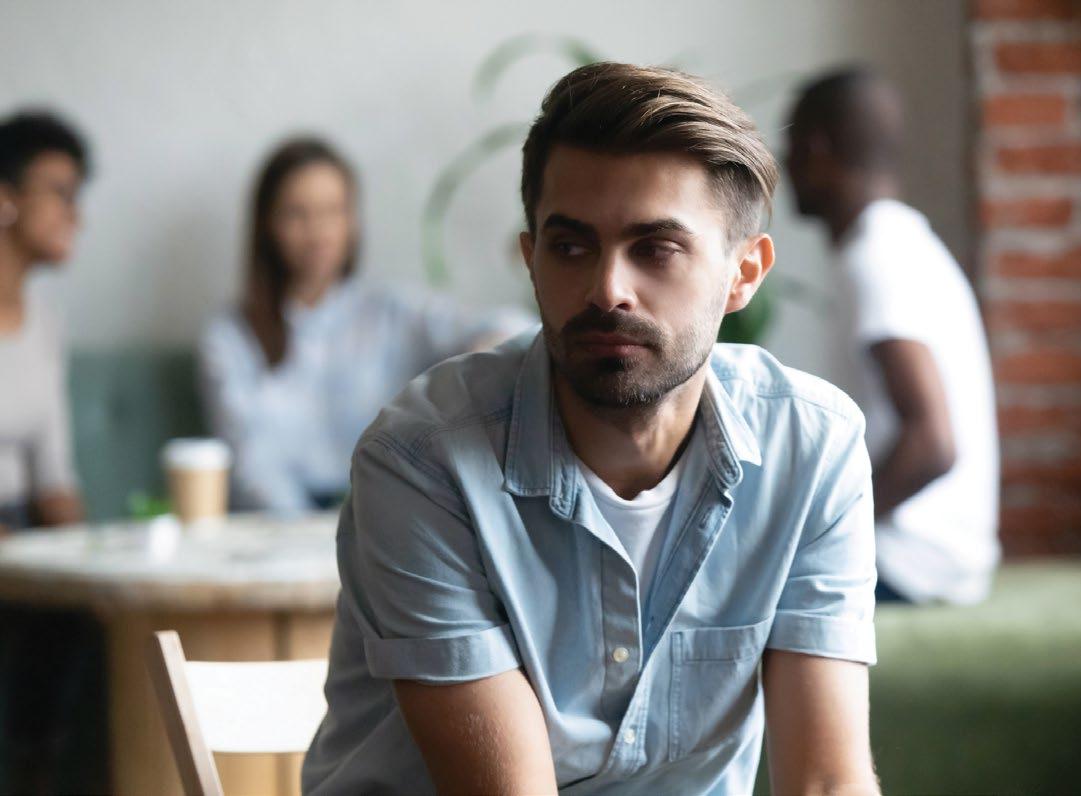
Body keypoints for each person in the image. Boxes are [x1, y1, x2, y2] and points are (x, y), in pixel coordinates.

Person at [304, 63, 879, 795]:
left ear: (743, 273)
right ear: (531, 261)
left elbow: (825, 781)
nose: (607, 289)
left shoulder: (812, 449)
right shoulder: (424, 461)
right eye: (571, 247)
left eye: (655, 249)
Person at [200, 137, 532, 514]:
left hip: (383, 515)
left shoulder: (390, 312)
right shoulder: (230, 336)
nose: (317, 232)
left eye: (332, 211)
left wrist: (486, 352)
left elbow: (514, 328)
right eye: (297, 213)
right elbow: (251, 466)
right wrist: (309, 531)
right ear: (267, 224)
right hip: (277, 525)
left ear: (352, 220)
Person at [784, 67, 1000, 605]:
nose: (784, 166)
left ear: (816, 150)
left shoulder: (876, 256)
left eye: (789, 149)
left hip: (911, 561)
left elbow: (933, 444)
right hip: (938, 556)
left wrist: (822, 533)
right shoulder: (898, 243)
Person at [0, 110, 105, 794]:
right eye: (60, 193)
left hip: (21, 539)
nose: (76, 215)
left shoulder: (43, 326)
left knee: (84, 614)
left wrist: (92, 561)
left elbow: (54, 482)